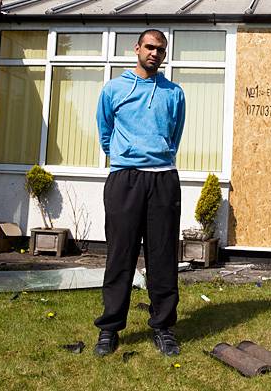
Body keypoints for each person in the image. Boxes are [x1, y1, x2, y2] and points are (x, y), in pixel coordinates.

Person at [94, 29, 185, 357]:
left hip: (162, 179)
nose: (154, 54)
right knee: (120, 254)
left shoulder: (174, 93)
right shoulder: (114, 89)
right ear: (137, 48)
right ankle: (109, 329)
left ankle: (163, 326)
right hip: (125, 180)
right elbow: (105, 133)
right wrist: (126, 155)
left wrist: (155, 153)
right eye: (149, 47)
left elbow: (174, 135)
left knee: (162, 256)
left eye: (160, 50)